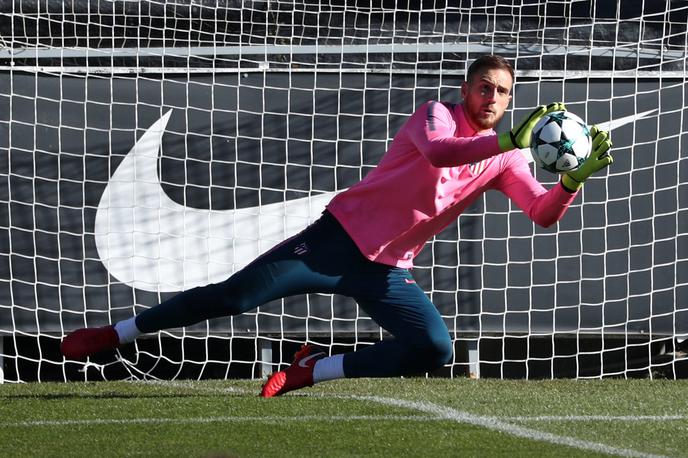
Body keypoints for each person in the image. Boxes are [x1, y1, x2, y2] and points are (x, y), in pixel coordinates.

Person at [61, 55, 613, 397]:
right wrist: (512, 137)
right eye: (484, 88)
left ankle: (314, 371)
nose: (493, 98)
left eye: (502, 92)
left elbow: (541, 214)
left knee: (435, 349)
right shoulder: (436, 115)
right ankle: (116, 335)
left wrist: (573, 179)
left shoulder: (508, 156)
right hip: (334, 241)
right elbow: (444, 153)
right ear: (466, 90)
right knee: (233, 298)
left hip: (389, 270)